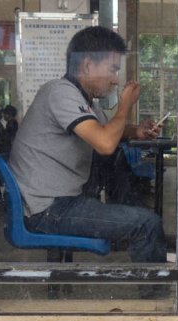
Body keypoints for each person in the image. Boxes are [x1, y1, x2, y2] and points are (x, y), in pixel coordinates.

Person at [9, 26, 166, 265]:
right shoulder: (60, 93)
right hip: (47, 210)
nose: (115, 79)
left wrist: (137, 130)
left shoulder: (83, 99)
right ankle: (157, 298)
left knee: (136, 209)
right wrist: (125, 105)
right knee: (147, 223)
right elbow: (104, 143)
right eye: (112, 69)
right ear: (88, 65)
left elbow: (108, 129)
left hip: (58, 203)